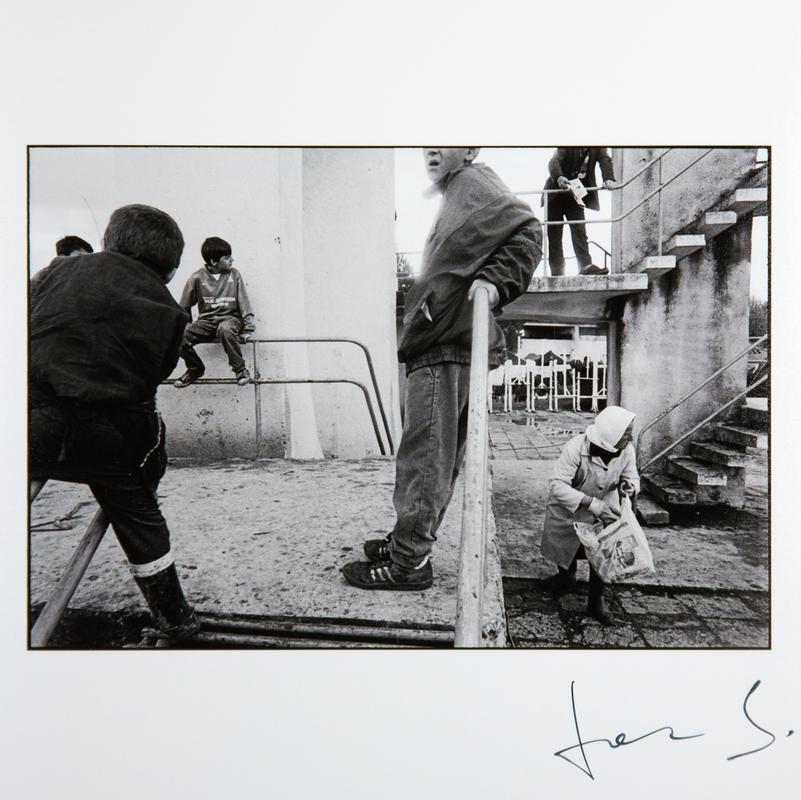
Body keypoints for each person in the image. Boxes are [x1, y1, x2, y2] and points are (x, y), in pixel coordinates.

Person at [341, 147, 542, 590]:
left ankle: (407, 563)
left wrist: (495, 283)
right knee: (437, 458)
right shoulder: (460, 189)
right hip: (448, 341)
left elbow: (529, 233)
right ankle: (408, 541)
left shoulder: (473, 183)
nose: (431, 148)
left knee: (425, 458)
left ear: (469, 150)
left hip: (445, 345)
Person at [30, 204, 200, 642]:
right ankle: (174, 614)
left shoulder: (53, 273)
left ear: (110, 240)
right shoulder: (169, 310)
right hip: (110, 440)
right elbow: (154, 375)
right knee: (140, 507)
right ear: (169, 267)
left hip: (31, 429)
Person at [539, 405, 640, 625]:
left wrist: (628, 485)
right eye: (626, 433)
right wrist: (591, 503)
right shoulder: (576, 447)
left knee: (602, 551)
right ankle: (566, 578)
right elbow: (557, 485)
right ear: (611, 434)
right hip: (571, 510)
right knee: (566, 547)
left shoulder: (627, 450)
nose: (630, 438)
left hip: (606, 511)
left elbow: (632, 476)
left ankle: (596, 600)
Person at [173, 236, 256, 388]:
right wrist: (188, 327)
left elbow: (244, 302)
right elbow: (184, 306)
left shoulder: (234, 275)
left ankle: (240, 370)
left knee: (225, 329)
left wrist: (248, 328)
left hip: (230, 320)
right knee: (177, 337)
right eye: (227, 257)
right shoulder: (196, 277)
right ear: (213, 261)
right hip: (206, 322)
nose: (232, 260)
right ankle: (194, 368)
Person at [542, 147, 618, 276]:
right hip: (555, 194)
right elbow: (554, 161)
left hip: (575, 195)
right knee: (554, 235)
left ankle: (586, 266)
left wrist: (608, 178)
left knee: (580, 231)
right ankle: (557, 273)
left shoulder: (597, 146)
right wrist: (560, 177)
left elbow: (605, 160)